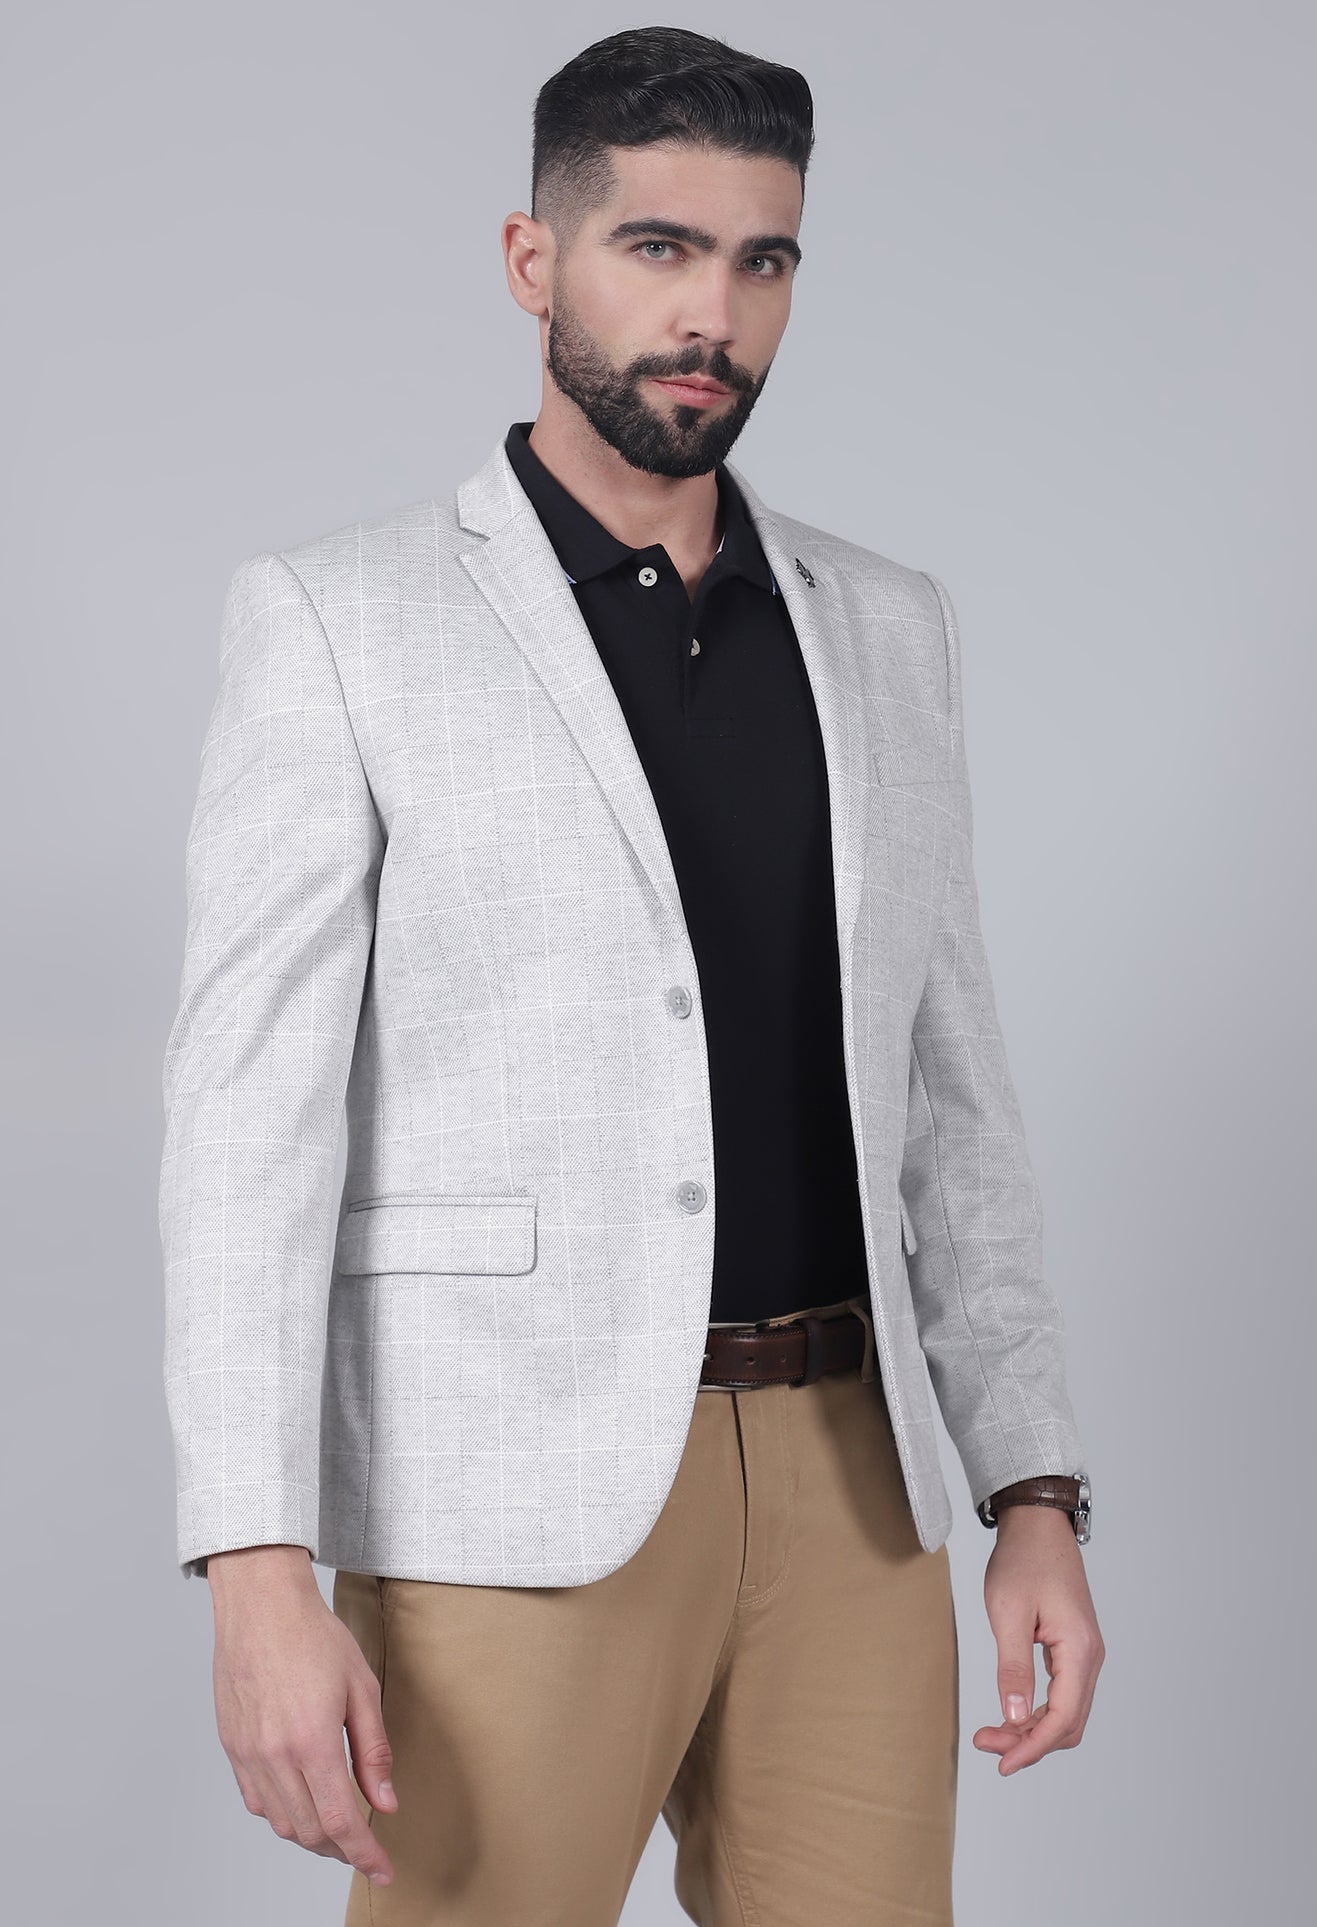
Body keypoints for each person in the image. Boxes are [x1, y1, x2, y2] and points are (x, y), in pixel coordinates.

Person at [159, 25, 1104, 1925]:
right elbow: (246, 1134)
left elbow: (952, 1103)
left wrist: (1032, 1492)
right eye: (657, 249)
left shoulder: (885, 628)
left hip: (852, 1490)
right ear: (534, 260)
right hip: (505, 1491)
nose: (711, 316)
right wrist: (256, 1571)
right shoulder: (342, 622)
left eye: (761, 262)